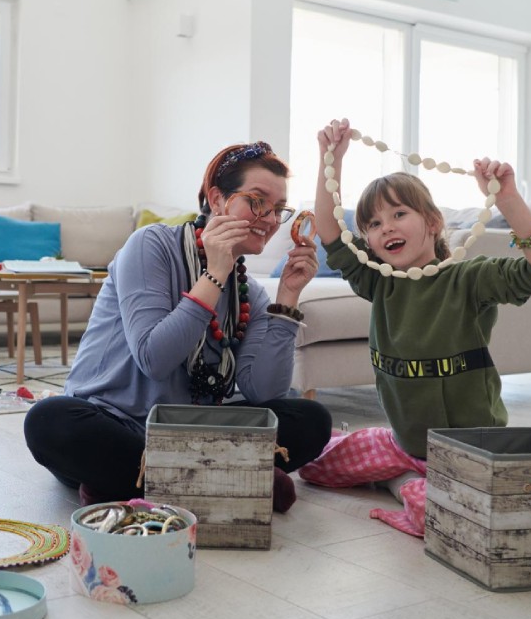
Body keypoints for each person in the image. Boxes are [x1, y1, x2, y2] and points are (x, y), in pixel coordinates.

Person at [24, 141, 333, 513]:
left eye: (278, 209)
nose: (269, 219)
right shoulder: (150, 245)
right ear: (217, 200)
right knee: (50, 421)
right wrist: (214, 274)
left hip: (195, 432)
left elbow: (262, 390)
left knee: (312, 420)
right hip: (119, 424)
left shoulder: (249, 291)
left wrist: (287, 298)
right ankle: (230, 482)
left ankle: (141, 487)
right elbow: (154, 358)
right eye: (257, 200)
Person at [298, 118, 531, 536]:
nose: (385, 226)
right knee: (313, 466)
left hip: (469, 453)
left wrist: (508, 200)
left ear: (433, 222)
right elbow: (330, 235)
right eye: (373, 224)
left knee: (442, 519)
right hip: (404, 443)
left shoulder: (468, 278)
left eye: (398, 213)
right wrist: (330, 161)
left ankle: (406, 487)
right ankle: (398, 474)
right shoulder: (378, 281)